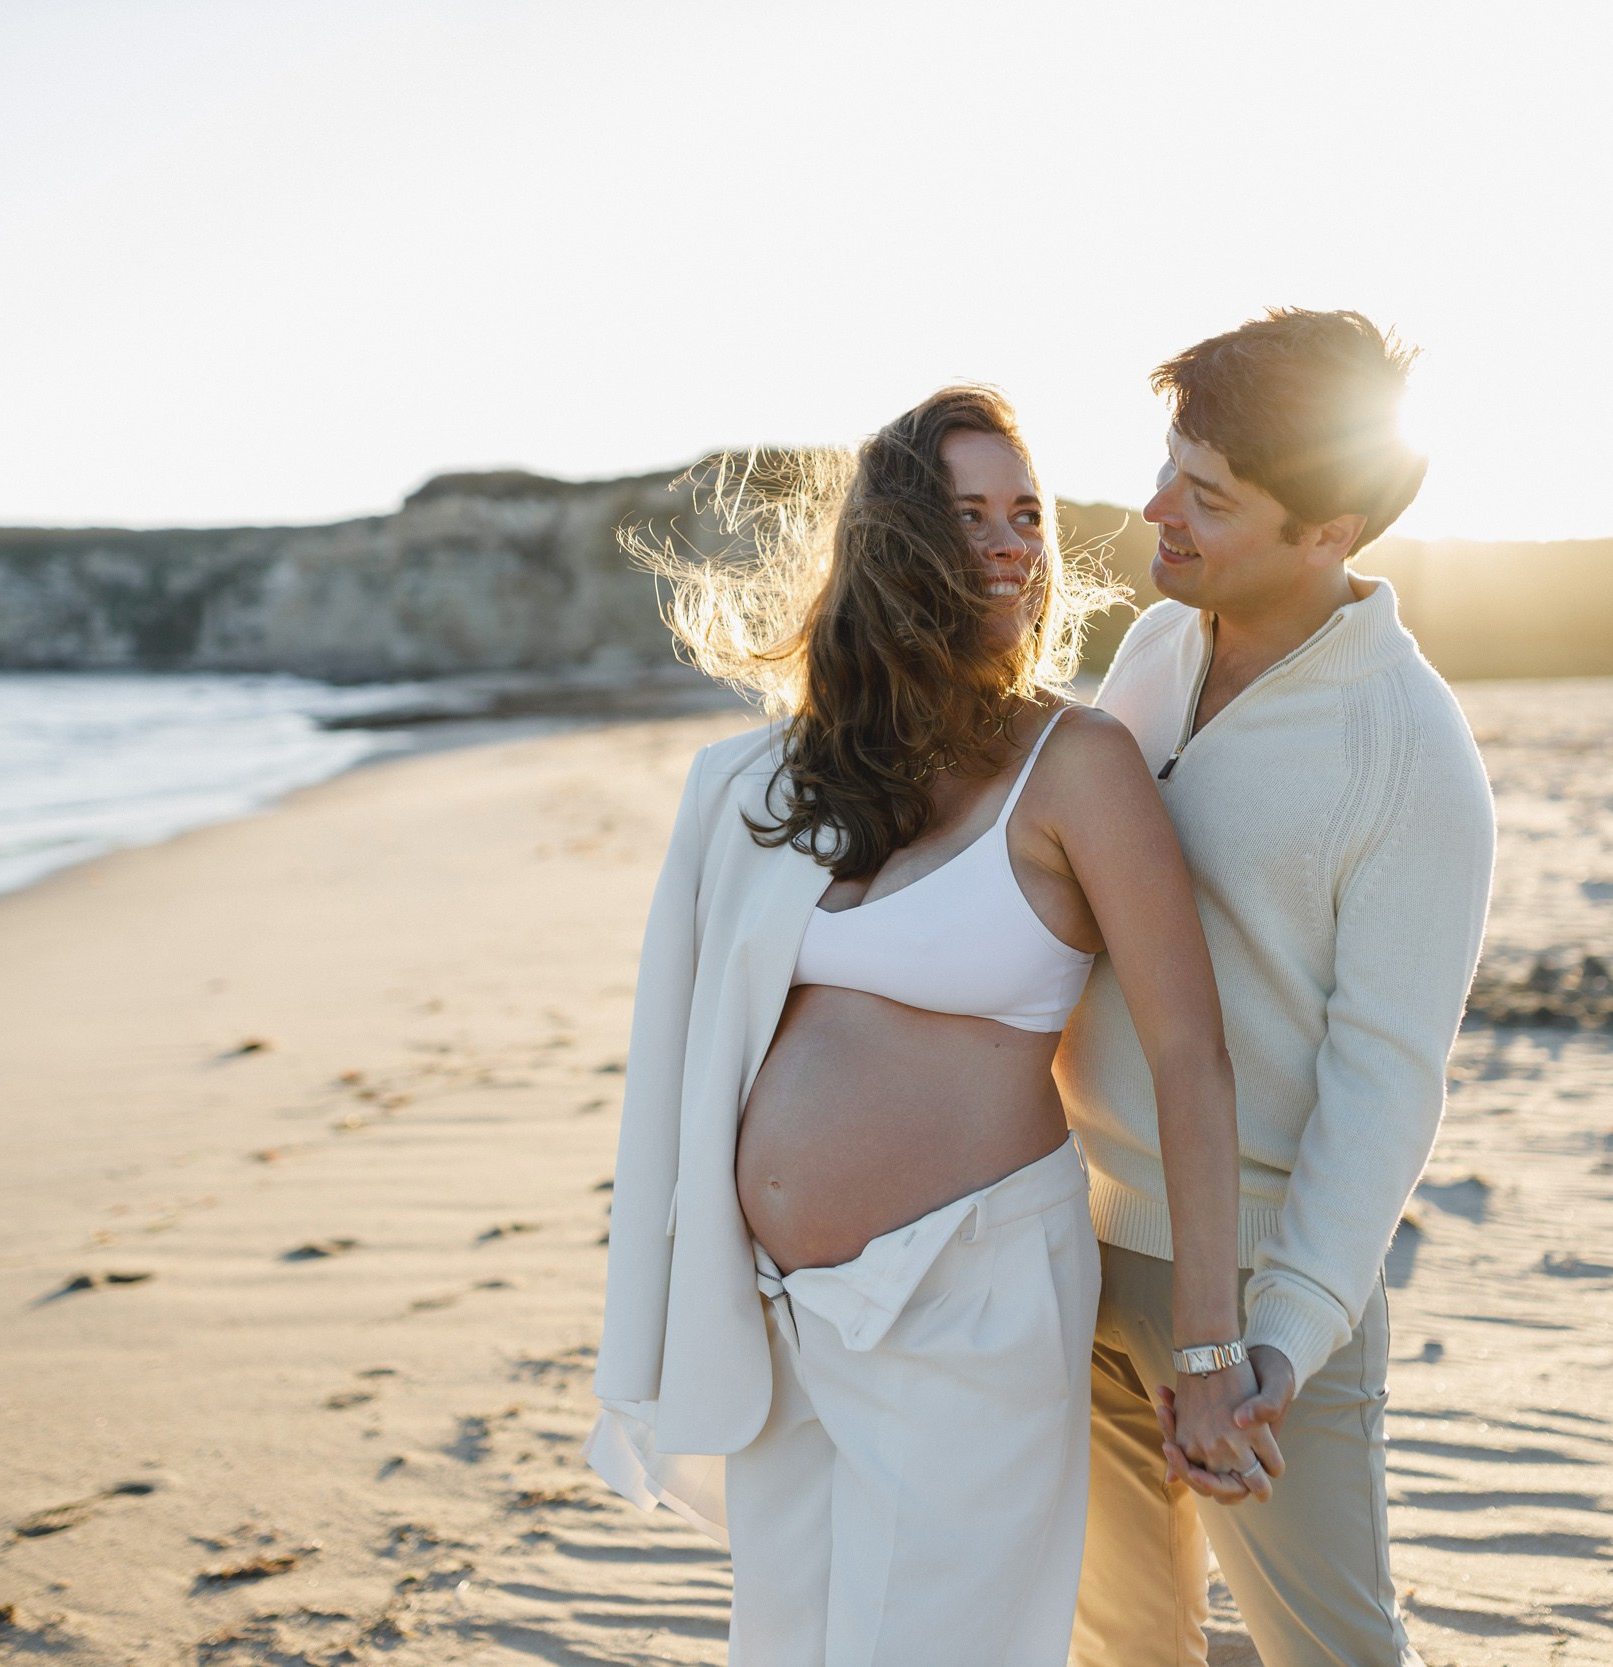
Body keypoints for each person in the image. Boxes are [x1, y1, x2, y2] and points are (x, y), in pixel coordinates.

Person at [585, 387, 1260, 1667]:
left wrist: (1211, 1339)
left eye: (1027, 516)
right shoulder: (786, 780)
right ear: (893, 544)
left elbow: (1191, 1054)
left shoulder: (1079, 763)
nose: (1013, 543)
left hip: (973, 1300)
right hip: (783, 1315)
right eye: (968, 515)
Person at [1059, 310, 1497, 1667]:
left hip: (1256, 1288)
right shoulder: (1156, 649)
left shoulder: (1409, 755)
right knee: (1125, 1643)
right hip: (1072, 1246)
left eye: (1208, 497)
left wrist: (1284, 1340)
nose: (1156, 513)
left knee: (1336, 1650)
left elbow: (1387, 1078)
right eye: (1168, 469)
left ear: (1331, 528)